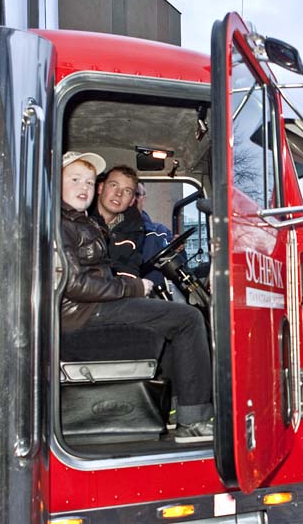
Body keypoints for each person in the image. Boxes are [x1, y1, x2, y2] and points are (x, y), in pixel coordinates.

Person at [60, 151, 213, 443]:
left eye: (89, 182)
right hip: (84, 314)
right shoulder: (62, 223)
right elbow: (73, 283)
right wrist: (133, 288)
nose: (84, 188)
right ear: (57, 183)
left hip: (91, 307)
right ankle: (193, 421)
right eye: (75, 180)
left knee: (168, 320)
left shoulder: (80, 221)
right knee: (189, 319)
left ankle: (170, 409)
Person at [89, 164, 144, 278]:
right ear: (100, 188)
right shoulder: (82, 221)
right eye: (114, 185)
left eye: (127, 191)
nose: (119, 194)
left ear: (132, 201)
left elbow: (130, 269)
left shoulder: (134, 229)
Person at [135, 182, 174, 285]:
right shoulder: (109, 232)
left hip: (156, 296)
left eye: (137, 194)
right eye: (129, 193)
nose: (133, 199)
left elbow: (178, 269)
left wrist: (177, 251)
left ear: (143, 199)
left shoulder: (160, 233)